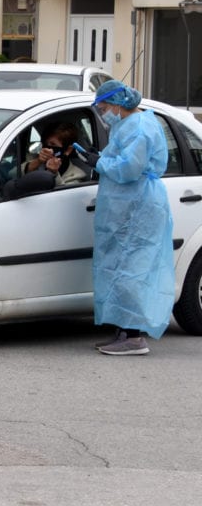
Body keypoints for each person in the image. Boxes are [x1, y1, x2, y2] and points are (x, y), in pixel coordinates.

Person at [78, 80, 174, 356]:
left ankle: (134, 338)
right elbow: (116, 160)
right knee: (119, 269)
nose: (103, 113)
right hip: (125, 207)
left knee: (132, 271)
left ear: (119, 103)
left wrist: (99, 163)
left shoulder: (141, 127)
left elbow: (130, 168)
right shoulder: (125, 125)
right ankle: (123, 331)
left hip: (138, 207)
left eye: (105, 107)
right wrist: (97, 159)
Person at [20, 122, 89, 186]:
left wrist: (54, 173)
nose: (47, 149)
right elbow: (12, 174)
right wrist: (37, 162)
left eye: (53, 144)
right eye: (45, 144)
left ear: (68, 150)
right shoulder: (35, 158)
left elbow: (62, 196)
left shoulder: (77, 174)